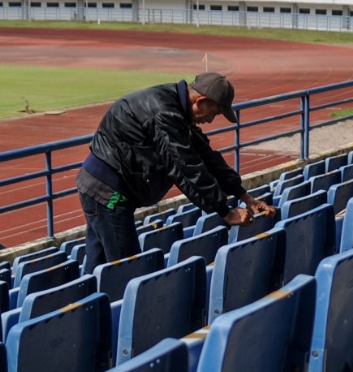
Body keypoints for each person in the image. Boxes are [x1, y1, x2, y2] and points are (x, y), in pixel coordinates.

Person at [76, 71, 275, 273]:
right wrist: (226, 212)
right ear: (201, 101)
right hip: (108, 193)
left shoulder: (177, 109)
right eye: (214, 113)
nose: (211, 120)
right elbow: (185, 166)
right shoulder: (164, 114)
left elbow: (206, 156)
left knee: (98, 268)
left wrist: (245, 197)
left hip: (103, 190)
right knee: (127, 272)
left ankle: (87, 303)